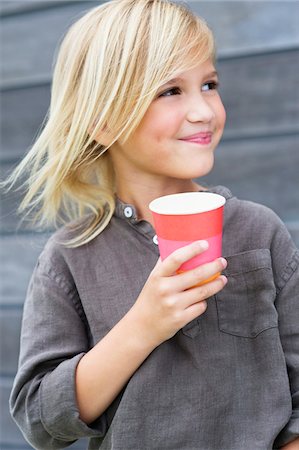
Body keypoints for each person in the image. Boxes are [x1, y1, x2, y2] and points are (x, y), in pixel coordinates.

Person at [5, 0, 298, 449]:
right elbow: (41, 420)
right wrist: (142, 327)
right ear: (103, 121)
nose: (203, 111)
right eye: (170, 91)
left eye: (209, 84)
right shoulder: (71, 256)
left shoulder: (260, 231)